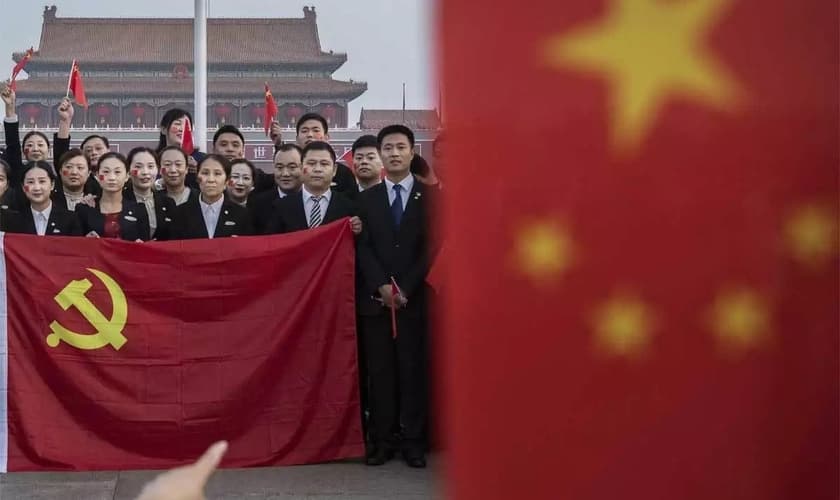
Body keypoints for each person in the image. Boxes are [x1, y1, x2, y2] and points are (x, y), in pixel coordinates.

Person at [356, 125, 435, 468]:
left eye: (400, 147)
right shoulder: (365, 199)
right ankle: (382, 440)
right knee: (381, 373)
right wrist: (380, 286)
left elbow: (432, 248)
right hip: (377, 302)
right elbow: (362, 246)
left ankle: (414, 441)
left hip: (413, 301)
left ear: (412, 151)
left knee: (413, 372)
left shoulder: (431, 197)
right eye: (387, 147)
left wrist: (407, 287)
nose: (393, 153)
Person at [265, 141, 361, 235]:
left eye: (324, 164)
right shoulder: (282, 206)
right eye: (311, 163)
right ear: (302, 167)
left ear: (334, 170)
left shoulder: (348, 207)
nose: (317, 169)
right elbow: (272, 243)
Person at [170, 154, 253, 239]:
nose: (211, 179)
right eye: (205, 173)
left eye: (217, 174)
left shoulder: (241, 215)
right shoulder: (180, 213)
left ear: (227, 181)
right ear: (197, 178)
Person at [75, 152, 150, 241]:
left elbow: (146, 244)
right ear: (98, 176)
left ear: (127, 176)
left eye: (117, 172)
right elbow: (76, 244)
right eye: (106, 172)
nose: (112, 177)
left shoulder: (138, 209)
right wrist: (85, 240)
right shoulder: (84, 208)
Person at [6, 161, 82, 236]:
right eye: (30, 182)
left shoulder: (70, 219)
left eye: (42, 181)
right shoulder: (14, 221)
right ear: (23, 187)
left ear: (52, 185)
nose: (37, 188)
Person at [295, 113, 356, 194]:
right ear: (297, 139)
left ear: (326, 137)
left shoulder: (342, 173)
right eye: (304, 131)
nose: (309, 135)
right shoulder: (291, 169)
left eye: (316, 130)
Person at [248, 144, 303, 234]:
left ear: (303, 167)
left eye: (292, 167)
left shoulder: (312, 202)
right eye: (279, 167)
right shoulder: (257, 204)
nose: (285, 174)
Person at [124, 147, 177, 240]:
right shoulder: (120, 200)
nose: (145, 172)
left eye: (151, 166)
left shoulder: (168, 203)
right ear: (128, 171)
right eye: (138, 167)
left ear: (158, 169)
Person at [211, 124, 274, 192]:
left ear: (243, 151)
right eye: (224, 145)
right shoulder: (205, 177)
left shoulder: (255, 176)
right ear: (214, 150)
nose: (230, 149)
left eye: (235, 145)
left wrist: (278, 144)